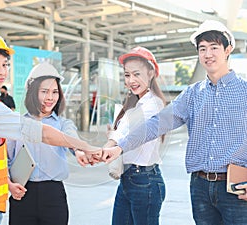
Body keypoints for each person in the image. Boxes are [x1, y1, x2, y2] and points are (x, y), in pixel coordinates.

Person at [102, 20, 247, 225]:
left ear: (228, 49)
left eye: (214, 47)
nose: (208, 54)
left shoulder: (244, 92)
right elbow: (157, 124)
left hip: (236, 187)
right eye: (202, 49)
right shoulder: (192, 94)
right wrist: (120, 146)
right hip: (200, 187)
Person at [0, 31, 100, 225]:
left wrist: (79, 149)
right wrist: (87, 146)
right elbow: (42, 133)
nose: (2, 71)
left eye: (5, 65)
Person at [7, 62, 88, 225]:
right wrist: (9, 184)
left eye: (54, 92)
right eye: (44, 92)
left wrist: (80, 152)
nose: (50, 97)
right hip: (22, 194)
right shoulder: (16, 123)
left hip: (53, 196)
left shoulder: (63, 124)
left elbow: (72, 140)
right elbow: (6, 159)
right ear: (32, 92)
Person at [103, 46, 166, 225]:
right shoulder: (133, 104)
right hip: (127, 178)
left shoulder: (154, 104)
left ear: (151, 73)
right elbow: (120, 133)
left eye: (136, 74)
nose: (131, 80)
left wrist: (105, 148)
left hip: (145, 180)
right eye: (127, 74)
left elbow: (129, 133)